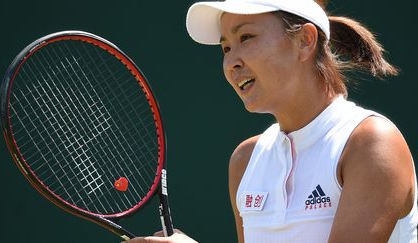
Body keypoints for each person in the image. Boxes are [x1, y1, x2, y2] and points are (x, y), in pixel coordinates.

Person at [124, 0, 417, 242]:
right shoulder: (246, 160)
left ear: (305, 41)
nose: (231, 62)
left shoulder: (370, 144)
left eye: (246, 38)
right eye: (226, 48)